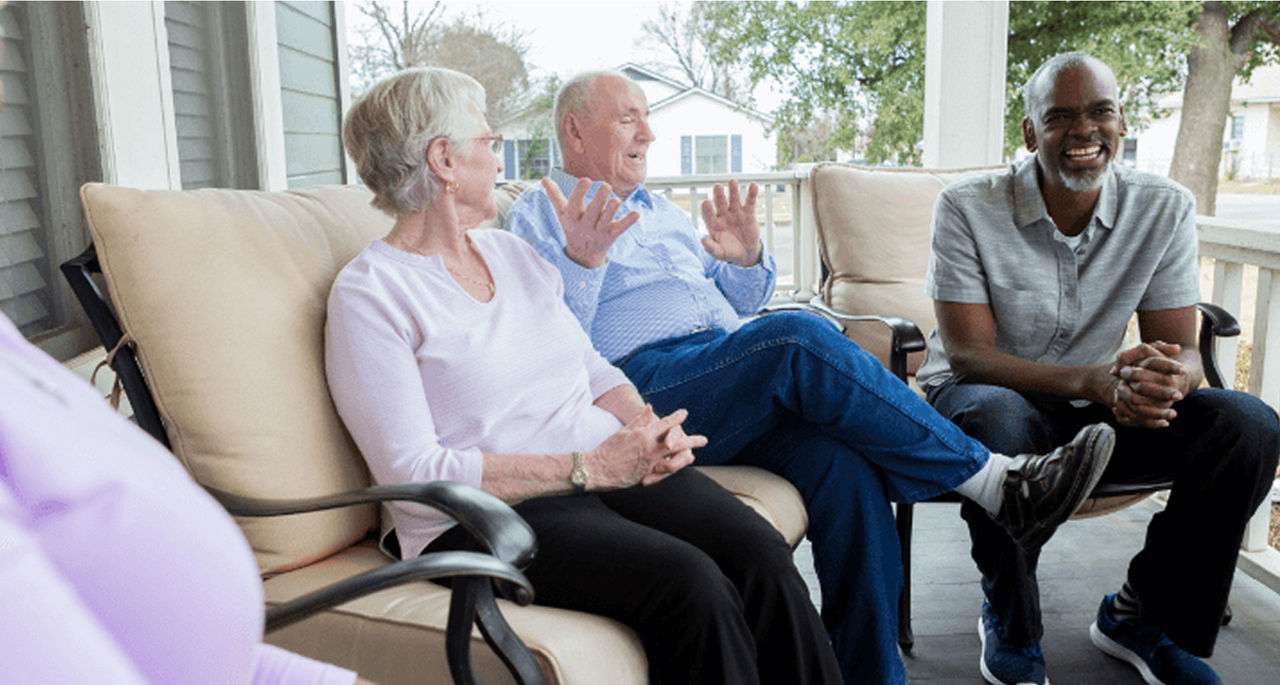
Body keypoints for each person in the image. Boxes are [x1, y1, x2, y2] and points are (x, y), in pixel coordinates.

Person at [506, 69, 1117, 685]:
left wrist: (744, 260)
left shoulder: (659, 212)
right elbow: (547, 345)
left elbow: (739, 305)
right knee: (796, 335)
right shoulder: (539, 214)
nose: (650, 131)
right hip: (637, 390)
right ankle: (994, 481)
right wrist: (583, 263)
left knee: (845, 471)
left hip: (720, 370)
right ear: (574, 131)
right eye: (628, 117)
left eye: (647, 115)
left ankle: (873, 674)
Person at [324, 66, 844, 685]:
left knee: (758, 551)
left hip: (602, 466)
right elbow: (410, 471)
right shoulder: (371, 293)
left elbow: (591, 367)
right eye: (489, 144)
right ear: (443, 160)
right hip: (491, 513)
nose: (499, 163)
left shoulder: (508, 254)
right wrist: (587, 468)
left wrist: (648, 428)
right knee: (691, 583)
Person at [920, 51, 1280, 685]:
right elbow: (970, 356)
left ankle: (1142, 616)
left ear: (1120, 121)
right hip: (985, 395)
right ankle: (1012, 619)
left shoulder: (1162, 207)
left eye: (1100, 111)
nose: (1083, 130)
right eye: (1060, 117)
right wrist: (1093, 380)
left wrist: (1171, 378)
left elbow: (1182, 350)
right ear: (1031, 134)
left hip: (1101, 409)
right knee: (997, 416)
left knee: (1246, 423)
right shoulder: (967, 207)